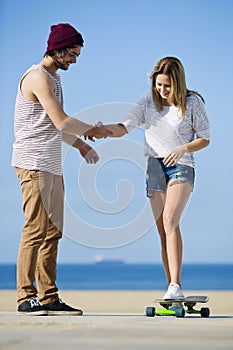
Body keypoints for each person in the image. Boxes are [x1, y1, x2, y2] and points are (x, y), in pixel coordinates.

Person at [12, 23, 111, 316]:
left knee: (53, 231)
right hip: (33, 163)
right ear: (57, 48)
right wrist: (95, 130)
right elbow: (62, 121)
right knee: (35, 228)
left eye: (77, 55)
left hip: (51, 164)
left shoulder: (54, 78)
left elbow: (54, 125)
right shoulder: (37, 77)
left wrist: (80, 145)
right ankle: (25, 296)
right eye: (72, 54)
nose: (74, 60)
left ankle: (48, 297)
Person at [99, 56, 210, 301]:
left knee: (171, 219)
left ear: (178, 83)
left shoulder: (192, 103)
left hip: (181, 165)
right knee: (162, 230)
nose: (161, 90)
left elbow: (205, 138)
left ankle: (176, 284)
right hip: (154, 166)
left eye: (167, 86)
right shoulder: (148, 101)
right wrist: (102, 130)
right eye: (158, 85)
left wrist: (182, 149)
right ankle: (170, 287)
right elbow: (123, 127)